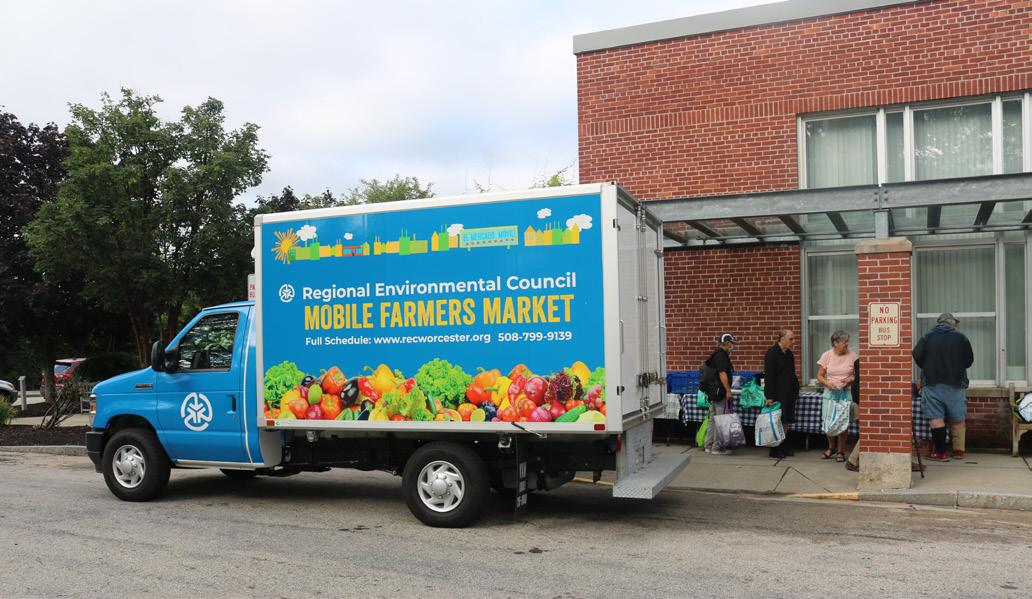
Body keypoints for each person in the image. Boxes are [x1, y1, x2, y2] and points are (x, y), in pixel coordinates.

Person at [912, 312, 974, 461]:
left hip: (932, 384)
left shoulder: (927, 336)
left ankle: (941, 453)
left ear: (939, 322)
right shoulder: (961, 337)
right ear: (951, 322)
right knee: (958, 418)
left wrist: (926, 366)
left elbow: (916, 354)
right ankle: (958, 451)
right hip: (956, 384)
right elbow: (969, 360)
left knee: (935, 418)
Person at [816, 330, 858, 462]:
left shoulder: (853, 356)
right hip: (830, 394)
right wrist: (827, 383)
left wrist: (850, 380)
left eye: (847, 342)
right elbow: (820, 375)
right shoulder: (827, 355)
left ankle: (841, 451)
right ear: (835, 343)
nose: (847, 344)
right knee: (829, 421)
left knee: (842, 422)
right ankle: (831, 448)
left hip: (846, 394)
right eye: (844, 342)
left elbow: (857, 375)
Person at [763, 329, 799, 459]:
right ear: (782, 339)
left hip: (789, 393)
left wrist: (796, 389)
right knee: (777, 421)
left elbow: (792, 373)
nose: (793, 342)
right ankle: (774, 448)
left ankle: (782, 444)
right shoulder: (772, 353)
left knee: (786, 421)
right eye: (791, 339)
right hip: (777, 394)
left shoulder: (789, 354)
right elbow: (769, 376)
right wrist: (769, 396)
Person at [703, 333, 737, 455]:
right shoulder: (721, 355)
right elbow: (722, 373)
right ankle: (716, 448)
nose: (733, 346)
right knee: (720, 420)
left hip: (713, 392)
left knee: (713, 419)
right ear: (726, 343)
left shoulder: (716, 354)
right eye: (732, 343)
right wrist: (728, 390)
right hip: (720, 392)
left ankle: (708, 445)